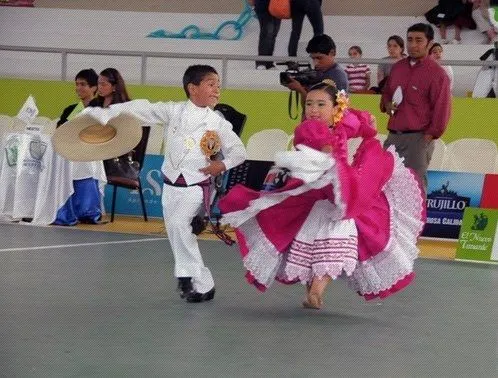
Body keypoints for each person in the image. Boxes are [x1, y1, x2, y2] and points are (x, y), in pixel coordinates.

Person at [219, 80, 426, 309]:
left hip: (339, 200)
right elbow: (317, 139)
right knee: (310, 245)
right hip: (314, 199)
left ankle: (316, 292)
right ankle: (313, 292)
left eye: (320, 104)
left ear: (336, 108)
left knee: (336, 239)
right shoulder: (306, 128)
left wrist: (364, 120)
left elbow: (364, 127)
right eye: (309, 104)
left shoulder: (343, 124)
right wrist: (328, 147)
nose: (313, 110)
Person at [82, 65, 247, 303]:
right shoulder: (174, 111)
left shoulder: (217, 122)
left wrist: (221, 165)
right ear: (192, 88)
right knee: (176, 232)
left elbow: (239, 152)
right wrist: (105, 112)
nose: (217, 90)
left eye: (219, 86)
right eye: (211, 85)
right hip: (170, 185)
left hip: (197, 187)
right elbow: (142, 108)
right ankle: (204, 283)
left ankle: (185, 277)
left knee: (181, 226)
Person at [380, 23, 451, 191]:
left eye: (419, 40)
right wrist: (388, 105)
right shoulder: (397, 68)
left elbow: (442, 109)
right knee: (386, 185)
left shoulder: (437, 74)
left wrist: (428, 137)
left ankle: (418, 218)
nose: (413, 45)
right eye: (410, 40)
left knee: (414, 188)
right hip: (393, 136)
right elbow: (387, 96)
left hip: (418, 139)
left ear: (430, 43)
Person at [54, 68, 103, 226]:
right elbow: (59, 131)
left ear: (94, 88)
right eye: (76, 84)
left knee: (84, 165)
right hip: (69, 152)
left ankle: (86, 210)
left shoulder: (101, 110)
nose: (78, 88)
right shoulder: (70, 110)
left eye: (83, 84)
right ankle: (66, 211)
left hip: (90, 153)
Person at [285, 34, 349, 100]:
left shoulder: (337, 75)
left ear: (332, 53)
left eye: (319, 58)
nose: (315, 63)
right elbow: (308, 107)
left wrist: (301, 90)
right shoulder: (318, 73)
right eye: (313, 58)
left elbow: (338, 107)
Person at [248, 0, 281, 70]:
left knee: (273, 34)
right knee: (267, 33)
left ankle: (269, 62)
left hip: (277, 5)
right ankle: (261, 62)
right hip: (263, 5)